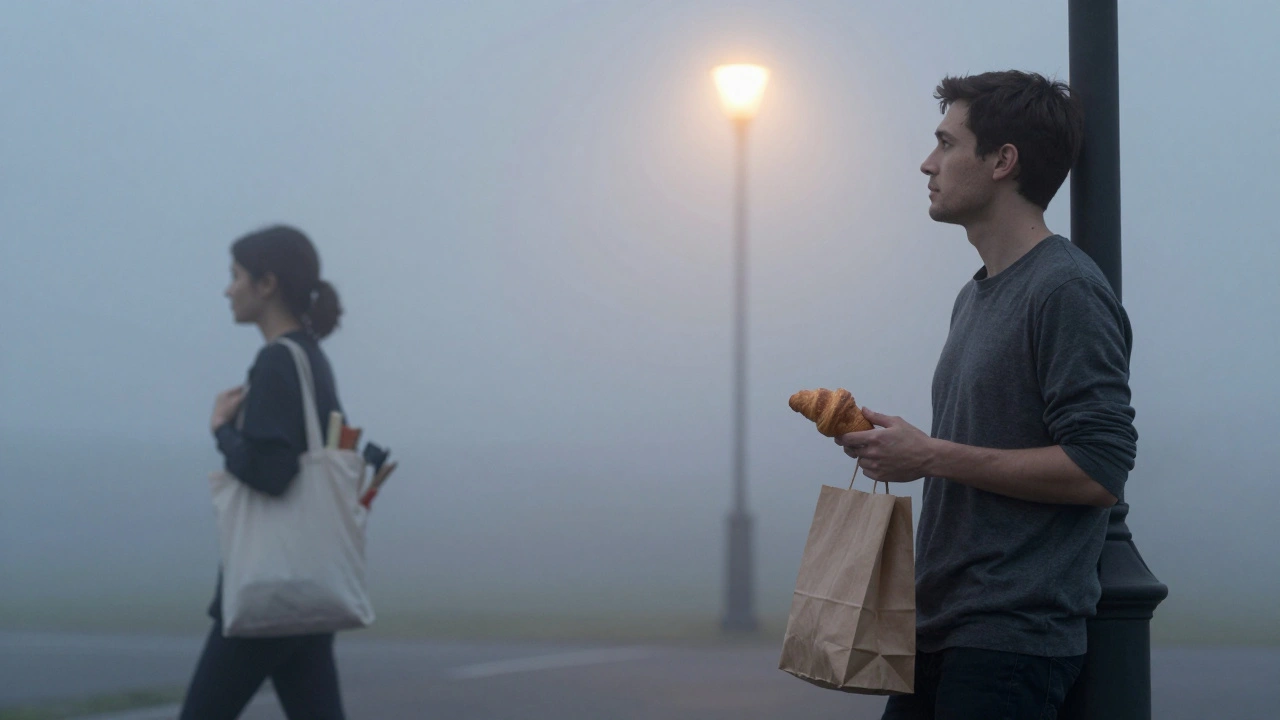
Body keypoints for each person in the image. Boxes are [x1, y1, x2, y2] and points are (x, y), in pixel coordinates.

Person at [835, 71, 1138, 719]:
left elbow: (1099, 469)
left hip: (1010, 643)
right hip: (940, 628)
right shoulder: (973, 296)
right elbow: (974, 447)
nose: (927, 163)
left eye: (946, 143)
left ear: (1003, 161)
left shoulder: (1065, 290)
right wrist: (899, 448)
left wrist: (933, 456)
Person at [180, 225, 348, 720]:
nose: (228, 289)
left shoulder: (277, 362)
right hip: (312, 581)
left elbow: (273, 471)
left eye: (235, 276)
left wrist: (222, 431)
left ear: (266, 283)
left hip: (267, 593)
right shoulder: (312, 358)